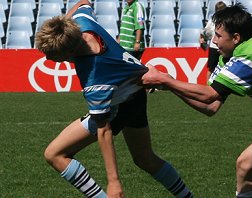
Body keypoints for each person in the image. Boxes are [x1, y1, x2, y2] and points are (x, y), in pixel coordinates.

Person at [35, 0, 193, 197]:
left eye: (53, 56)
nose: (49, 60)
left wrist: (114, 181)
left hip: (117, 105)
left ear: (69, 52)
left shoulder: (95, 78)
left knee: (54, 154)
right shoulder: (82, 22)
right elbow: (83, 3)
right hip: (136, 95)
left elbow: (104, 130)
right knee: (145, 159)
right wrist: (62, 24)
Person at [142, 3, 252, 198]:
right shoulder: (230, 57)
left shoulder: (250, 55)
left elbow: (210, 95)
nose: (214, 41)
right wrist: (169, 85)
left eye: (218, 36)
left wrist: (166, 79)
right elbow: (211, 107)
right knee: (245, 165)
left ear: (236, 38)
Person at [199, 1, 227, 81]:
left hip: (220, 47)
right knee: (212, 68)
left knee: (214, 68)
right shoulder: (213, 20)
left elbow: (204, 32)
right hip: (217, 47)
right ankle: (208, 86)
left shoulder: (227, 20)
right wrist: (202, 38)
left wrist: (202, 38)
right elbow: (206, 31)